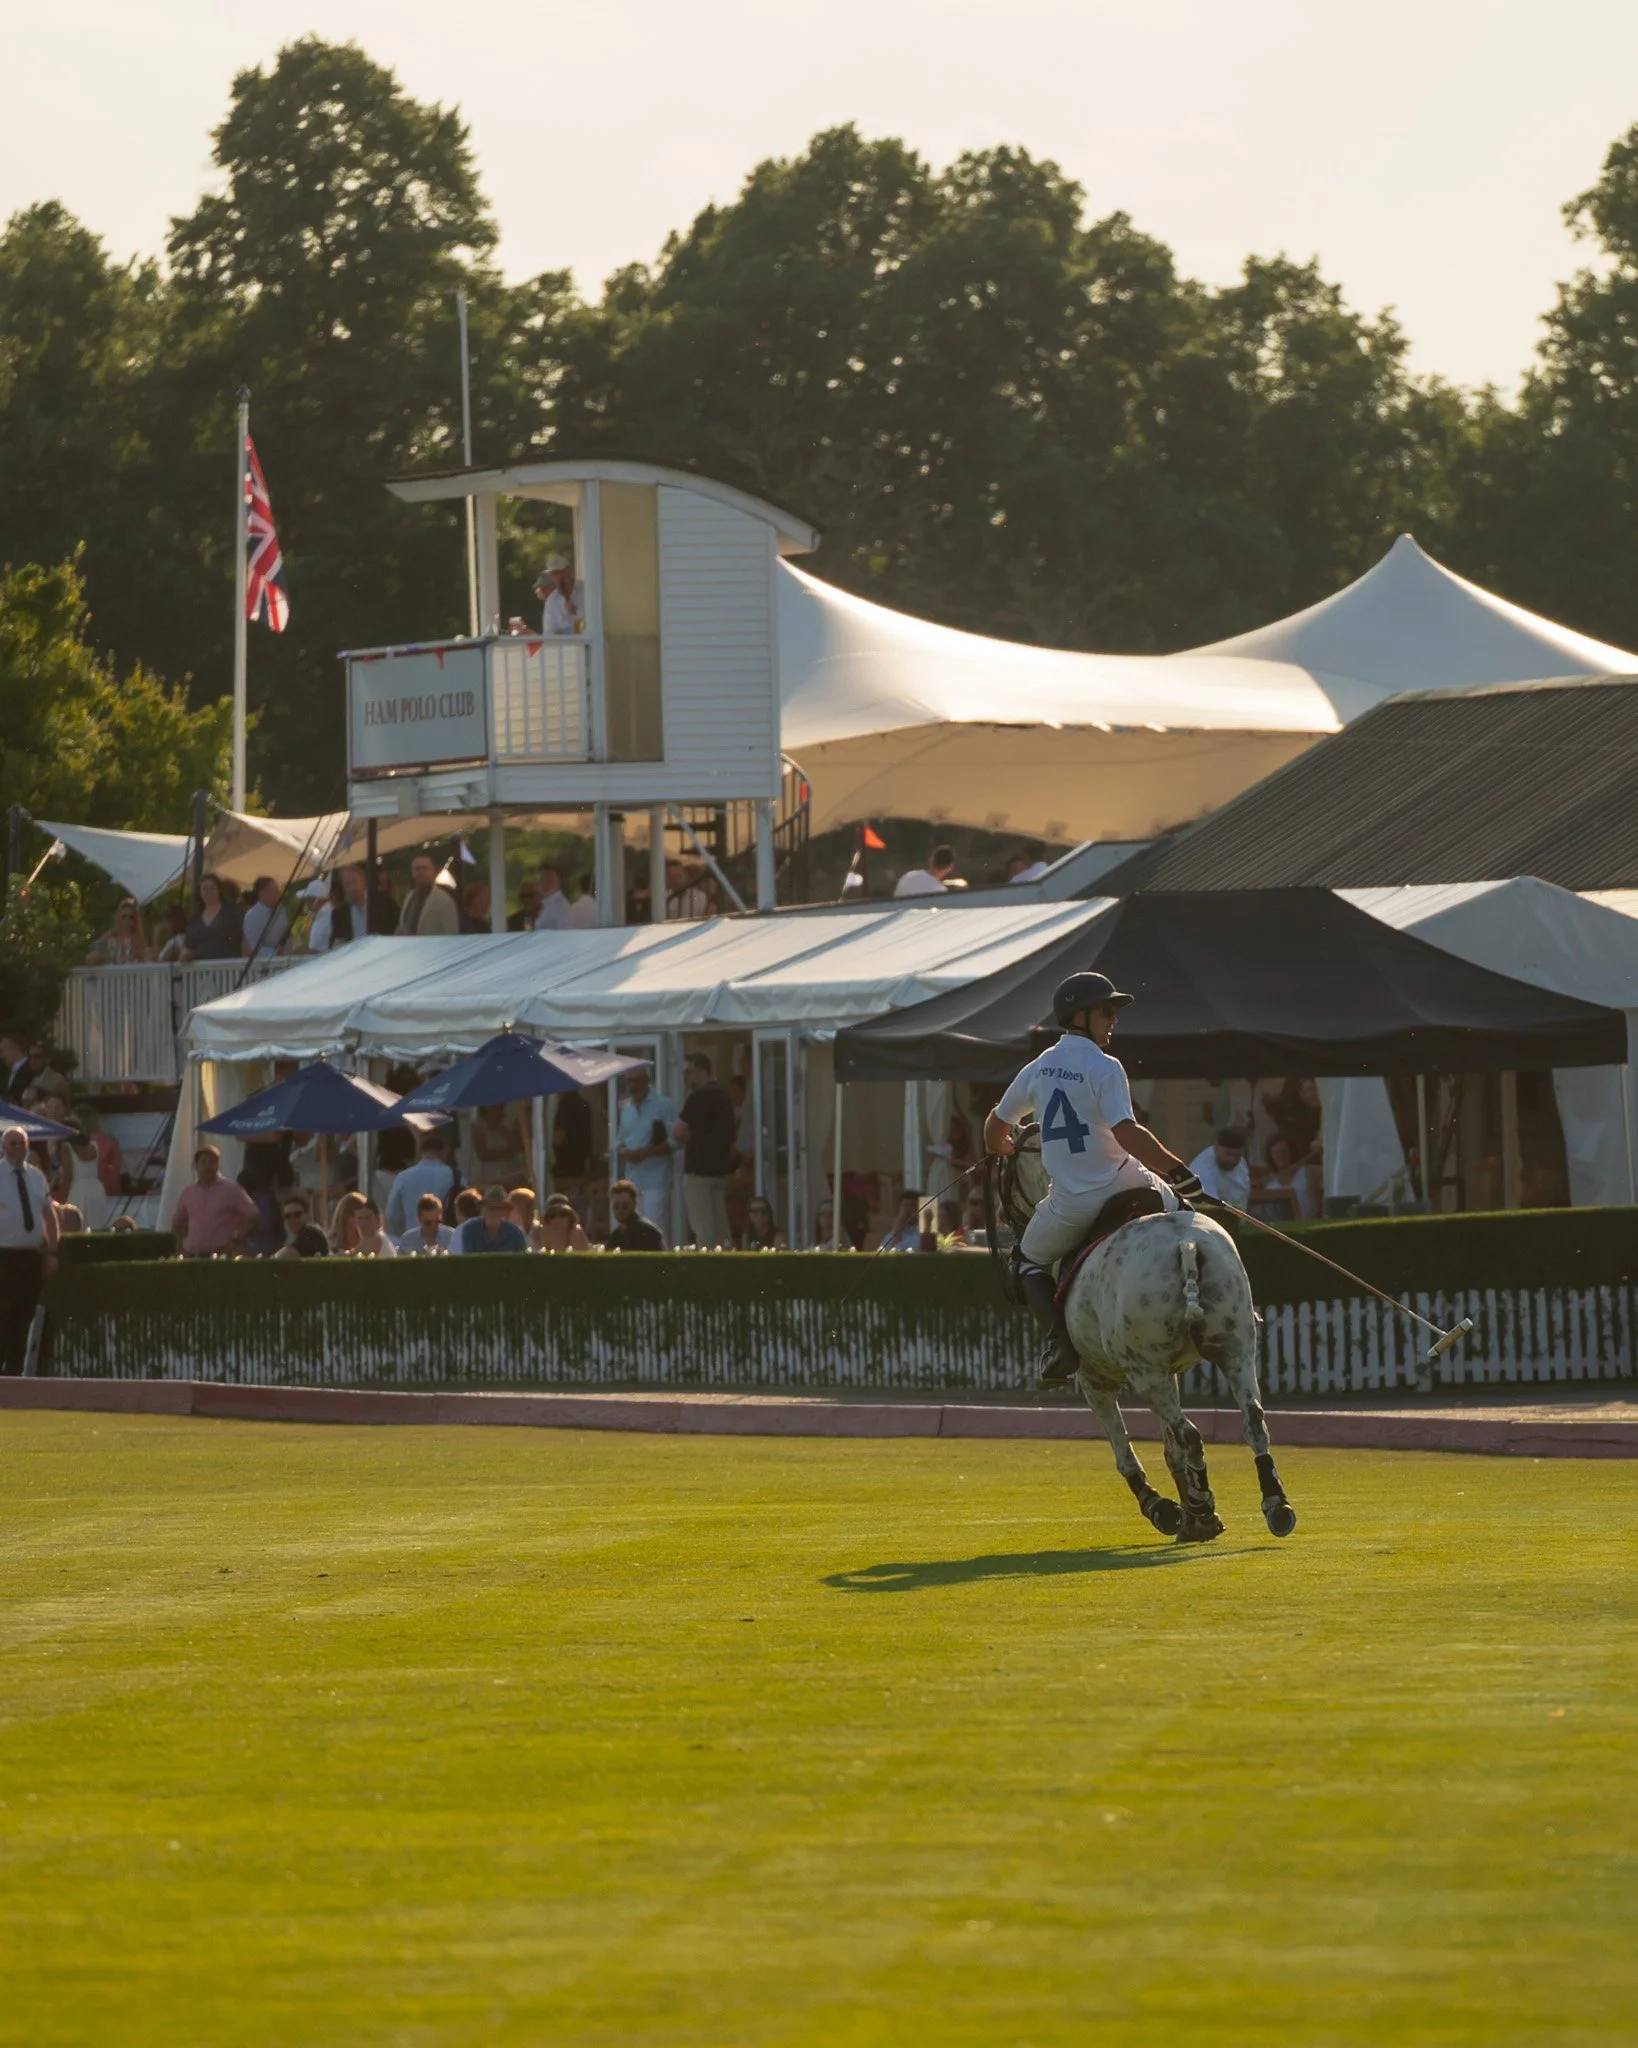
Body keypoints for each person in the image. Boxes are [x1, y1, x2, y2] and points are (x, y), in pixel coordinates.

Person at [984, 971, 1198, 1386]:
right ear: (1079, 1015)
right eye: (1107, 1011)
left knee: (1028, 1260)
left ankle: (1059, 1345)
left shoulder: (1040, 1066)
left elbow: (996, 1125)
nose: (1113, 1019)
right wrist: (1179, 1172)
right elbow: (1127, 1132)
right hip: (1130, 1183)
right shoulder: (1105, 1066)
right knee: (1191, 1218)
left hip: (1073, 1203)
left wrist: (1003, 1147)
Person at [1, 1123, 58, 1374]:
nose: (18, 1148)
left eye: (22, 1143)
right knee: (5, 1313)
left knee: (25, 1313)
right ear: (4, 1146)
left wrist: (53, 1251)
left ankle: (14, 1372)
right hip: (4, 1255)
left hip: (30, 1256)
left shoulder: (35, 1176)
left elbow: (49, 1214)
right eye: (13, 1143)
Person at [673, 1053, 736, 1248]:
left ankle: (707, 1271)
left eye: (689, 1072)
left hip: (698, 1174)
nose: (687, 1077)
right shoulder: (725, 1097)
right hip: (719, 1172)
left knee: (704, 1230)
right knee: (721, 1230)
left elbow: (678, 1132)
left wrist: (695, 1136)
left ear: (701, 1071)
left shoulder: (697, 1096)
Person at [614, 1067, 676, 1242]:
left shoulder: (664, 1105)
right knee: (632, 1227)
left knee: (655, 1227)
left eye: (638, 1080)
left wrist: (646, 1153)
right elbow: (619, 1142)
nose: (633, 1085)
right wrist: (624, 1151)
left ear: (647, 1080)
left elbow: (675, 1141)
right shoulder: (626, 1109)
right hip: (633, 1179)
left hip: (656, 1178)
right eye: (629, 1081)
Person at [170, 1145, 260, 1259]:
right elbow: (177, 1223)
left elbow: (253, 1214)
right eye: (204, 1162)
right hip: (194, 1255)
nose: (208, 1166)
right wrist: (182, 1247)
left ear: (217, 1165)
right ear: (196, 1166)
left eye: (212, 1162)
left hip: (223, 1255)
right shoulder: (189, 1192)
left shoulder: (231, 1189)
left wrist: (237, 1239)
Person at [383, 1133, 458, 1241]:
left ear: (421, 1151)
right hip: (446, 1240)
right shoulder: (453, 1176)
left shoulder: (403, 1177)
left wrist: (403, 1236)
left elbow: (391, 1215)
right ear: (444, 1151)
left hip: (411, 1239)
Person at [181, 873, 243, 962]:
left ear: (219, 890)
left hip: (229, 967)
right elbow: (190, 947)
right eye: (204, 889)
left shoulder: (232, 910)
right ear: (200, 892)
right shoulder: (195, 919)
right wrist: (185, 956)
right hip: (202, 969)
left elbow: (244, 938)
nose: (208, 891)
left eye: (212, 888)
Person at [1188, 1127, 1252, 1208]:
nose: (1232, 1160)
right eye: (1228, 1154)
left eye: (1237, 1155)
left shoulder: (1241, 1163)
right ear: (1216, 1147)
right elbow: (1210, 1208)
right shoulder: (1202, 1170)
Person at [397, 854, 459, 936]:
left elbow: (451, 933)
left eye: (425, 868)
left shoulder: (445, 901)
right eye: (417, 869)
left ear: (433, 872)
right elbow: (403, 926)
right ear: (412, 873)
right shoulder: (409, 897)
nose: (421, 872)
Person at [458, 1184, 530, 1254]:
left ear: (506, 1212)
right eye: (490, 1207)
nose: (494, 1212)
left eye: (499, 1208)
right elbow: (468, 1261)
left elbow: (522, 1264)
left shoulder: (516, 1234)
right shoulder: (470, 1230)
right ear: (482, 1210)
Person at [1261, 1134, 1316, 1220]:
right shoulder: (1268, 1183)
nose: (1281, 1156)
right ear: (1270, 1156)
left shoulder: (1306, 1173)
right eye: (1276, 1152)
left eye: (1284, 1151)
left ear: (1291, 1152)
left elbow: (1315, 1208)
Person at [86, 899, 152, 965]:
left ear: (135, 920)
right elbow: (91, 957)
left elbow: (147, 961)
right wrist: (102, 955)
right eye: (124, 916)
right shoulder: (109, 936)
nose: (127, 920)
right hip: (110, 973)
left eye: (131, 917)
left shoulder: (138, 939)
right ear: (118, 917)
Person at [604, 1179, 664, 1251]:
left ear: (634, 1204)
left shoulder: (648, 1233)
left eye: (625, 1206)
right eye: (616, 1206)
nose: (620, 1211)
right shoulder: (614, 1237)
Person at [241, 876, 291, 959]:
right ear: (262, 893)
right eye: (274, 890)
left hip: (286, 959)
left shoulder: (281, 910)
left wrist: (291, 949)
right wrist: (276, 953)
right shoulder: (252, 916)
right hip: (262, 963)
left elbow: (287, 934)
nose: (278, 893)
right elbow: (254, 946)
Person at [535, 555, 581, 637]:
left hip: (589, 647)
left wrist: (575, 612)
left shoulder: (587, 590)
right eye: (554, 573)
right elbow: (548, 634)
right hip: (565, 648)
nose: (558, 577)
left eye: (561, 572)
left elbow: (594, 624)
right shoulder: (552, 600)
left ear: (570, 571)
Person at [273, 1193, 329, 1259]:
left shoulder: (311, 1234)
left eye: (297, 1214)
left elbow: (283, 1256)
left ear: (306, 1215)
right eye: (288, 1216)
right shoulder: (290, 1237)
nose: (292, 1219)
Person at [531, 862, 575, 932]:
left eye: (549, 879)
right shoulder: (546, 904)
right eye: (542, 879)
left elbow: (565, 933)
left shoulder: (560, 906)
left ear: (559, 881)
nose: (545, 883)